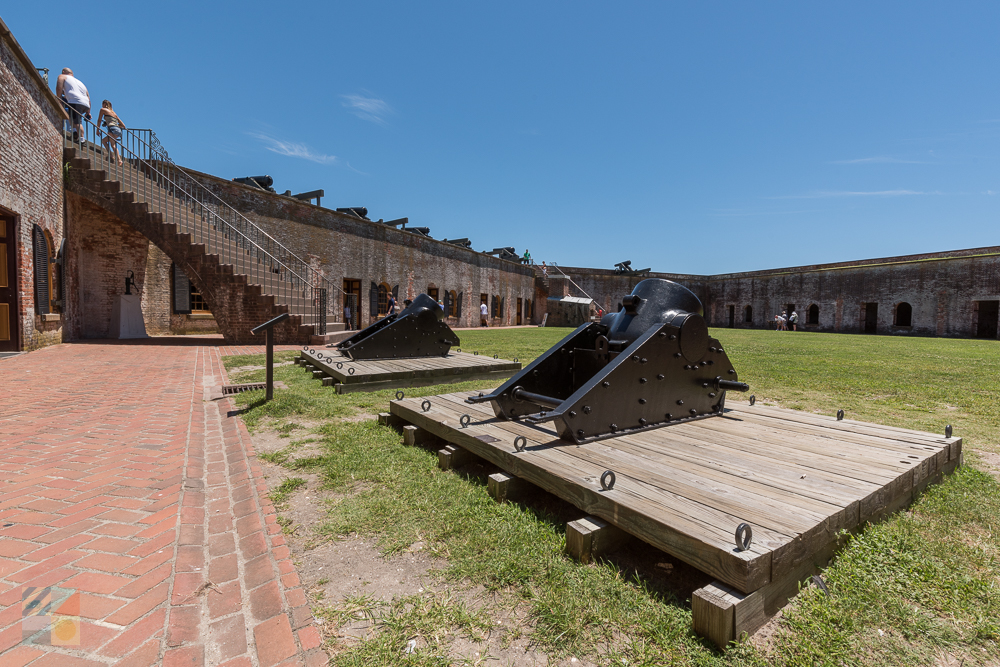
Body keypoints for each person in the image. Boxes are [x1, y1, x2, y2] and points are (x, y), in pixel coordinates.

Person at [56, 68, 90, 144]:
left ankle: (82, 140)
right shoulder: (80, 83)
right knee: (71, 116)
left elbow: (59, 87)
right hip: (85, 103)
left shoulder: (62, 76)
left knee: (78, 122)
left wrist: (58, 100)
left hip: (75, 102)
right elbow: (88, 96)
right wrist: (88, 111)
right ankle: (75, 131)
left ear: (63, 72)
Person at [95, 100, 126, 165]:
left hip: (111, 129)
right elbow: (123, 125)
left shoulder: (102, 110)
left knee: (113, 145)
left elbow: (99, 120)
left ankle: (118, 159)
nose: (102, 105)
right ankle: (113, 156)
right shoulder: (114, 113)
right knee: (105, 141)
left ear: (105, 104)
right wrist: (115, 125)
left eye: (102, 104)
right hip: (118, 130)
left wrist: (97, 130)